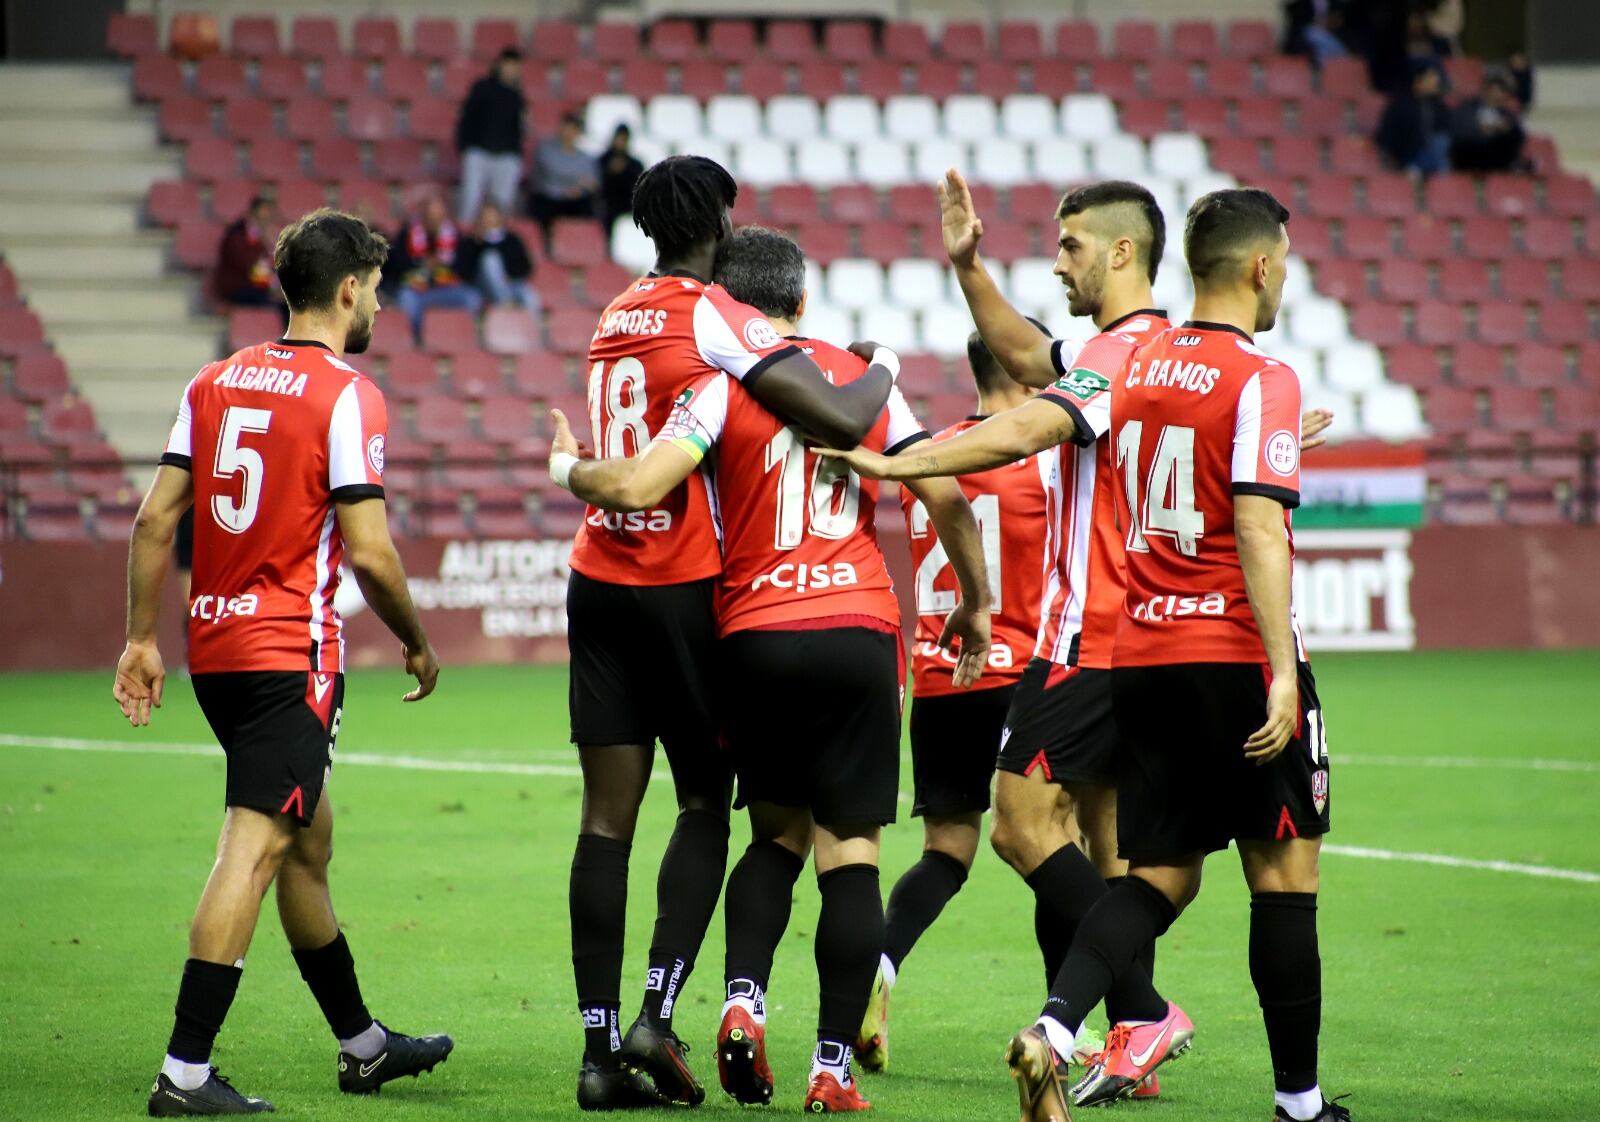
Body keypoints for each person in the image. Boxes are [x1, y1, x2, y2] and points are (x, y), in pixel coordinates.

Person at [550, 224, 992, 1113]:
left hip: (752, 631)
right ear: (799, 301)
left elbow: (642, 482)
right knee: (853, 853)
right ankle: (830, 1067)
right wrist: (974, 603)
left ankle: (743, 1004)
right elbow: (941, 491)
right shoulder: (858, 381)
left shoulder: (715, 388)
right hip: (858, 629)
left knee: (773, 837)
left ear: (729, 306)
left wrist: (565, 463)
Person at [821, 173, 1188, 1109]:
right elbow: (1027, 351)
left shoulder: (1121, 359)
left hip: (1081, 639)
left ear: (1119, 252)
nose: (1056, 261)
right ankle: (1098, 1028)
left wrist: (902, 457)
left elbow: (1023, 420)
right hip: (1124, 639)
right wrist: (969, 268)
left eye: (1068, 247)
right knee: (1100, 845)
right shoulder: (1136, 350)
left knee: (1022, 831)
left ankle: (1138, 1014)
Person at [1005, 188, 1348, 1122]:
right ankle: (1301, 1105)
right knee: (1283, 875)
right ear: (1263, 268)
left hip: (1143, 658)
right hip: (1234, 649)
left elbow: (1049, 395)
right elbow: (1257, 523)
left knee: (1157, 878)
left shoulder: (1134, 361)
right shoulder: (1263, 375)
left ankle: (1055, 1028)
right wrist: (1281, 668)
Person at [114, 208, 450, 1116]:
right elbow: (371, 553)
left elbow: (154, 521)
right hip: (289, 653)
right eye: (376, 287)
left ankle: (363, 1045)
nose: (379, 302)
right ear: (349, 288)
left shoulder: (214, 380)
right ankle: (183, 1074)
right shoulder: (346, 392)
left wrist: (142, 639)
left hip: (215, 649)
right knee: (255, 846)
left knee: (308, 841)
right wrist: (416, 638)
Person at [850, 321, 1052, 1078]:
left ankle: (882, 963)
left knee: (948, 848)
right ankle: (1077, 1021)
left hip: (941, 677)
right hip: (1023, 674)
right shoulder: (1043, 455)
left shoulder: (926, 456)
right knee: (1053, 844)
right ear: (1023, 373)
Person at [389, 195, 483, 338]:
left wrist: (444, 264)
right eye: (431, 216)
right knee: (405, 298)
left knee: (472, 298)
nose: (435, 221)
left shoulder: (455, 235)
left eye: (438, 217)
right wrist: (421, 264)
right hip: (416, 289)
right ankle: (418, 338)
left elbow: (465, 269)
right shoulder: (406, 234)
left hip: (446, 288)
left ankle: (462, 336)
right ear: (424, 216)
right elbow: (396, 266)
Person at [455, 47, 526, 224]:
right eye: (509, 65)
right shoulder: (482, 88)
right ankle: (467, 237)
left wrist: (515, 152)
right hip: (479, 151)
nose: (512, 70)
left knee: (502, 203)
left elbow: (517, 128)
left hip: (506, 154)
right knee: (471, 199)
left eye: (515, 67)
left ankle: (496, 236)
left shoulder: (516, 94)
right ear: (500, 64)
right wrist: (465, 147)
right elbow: (467, 119)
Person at [461, 201, 540, 314]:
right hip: (482, 287)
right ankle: (505, 303)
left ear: (500, 218)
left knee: (527, 293)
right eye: (484, 216)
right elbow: (465, 272)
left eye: (491, 216)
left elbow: (525, 267)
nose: (487, 219)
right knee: (490, 258)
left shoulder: (512, 240)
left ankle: (534, 327)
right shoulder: (471, 242)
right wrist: (478, 243)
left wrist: (509, 276)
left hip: (510, 284)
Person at [1375, 60, 1451, 176]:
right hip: (1408, 162)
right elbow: (1387, 139)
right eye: (1430, 77)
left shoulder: (1439, 106)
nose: (1436, 81)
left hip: (1435, 162)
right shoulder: (1399, 106)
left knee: (1441, 142)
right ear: (1417, 81)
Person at [530, 113, 600, 235]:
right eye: (566, 128)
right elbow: (551, 172)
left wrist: (578, 188)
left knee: (589, 207)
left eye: (572, 129)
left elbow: (593, 183)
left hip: (575, 199)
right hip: (550, 198)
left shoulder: (584, 157)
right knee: (542, 206)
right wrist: (574, 184)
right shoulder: (546, 149)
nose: (568, 133)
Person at [1449, 68, 1528, 172]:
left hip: (1496, 157)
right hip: (1470, 155)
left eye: (1506, 91)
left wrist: (1500, 130)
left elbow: (1518, 139)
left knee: (1514, 133)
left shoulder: (1507, 114)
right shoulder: (1467, 107)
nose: (1503, 94)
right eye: (1501, 89)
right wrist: (1489, 130)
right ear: (1486, 87)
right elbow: (1461, 134)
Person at [214, 196, 282, 308]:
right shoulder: (238, 235)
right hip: (237, 287)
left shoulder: (260, 238)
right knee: (274, 305)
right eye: (263, 216)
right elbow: (248, 268)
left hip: (254, 285)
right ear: (253, 214)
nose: (266, 221)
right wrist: (272, 287)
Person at [599, 124, 645, 233]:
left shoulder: (635, 164)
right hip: (606, 205)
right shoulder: (602, 161)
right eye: (619, 138)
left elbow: (639, 186)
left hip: (627, 204)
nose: (621, 142)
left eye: (624, 139)